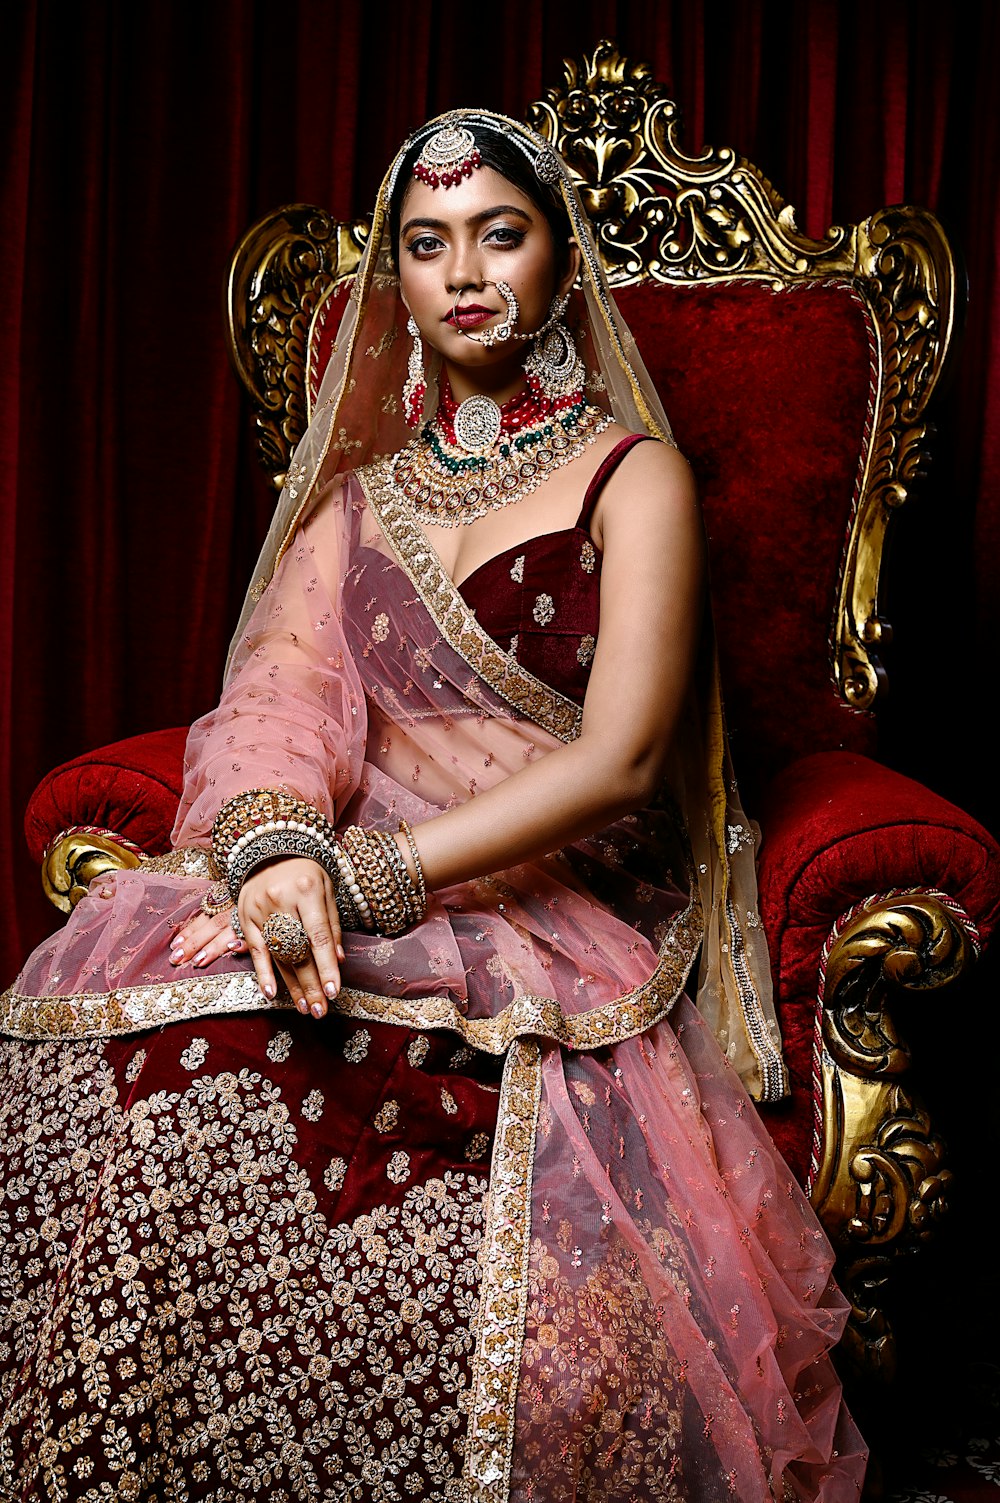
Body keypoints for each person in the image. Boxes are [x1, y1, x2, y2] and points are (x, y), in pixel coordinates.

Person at [0, 112, 865, 1501]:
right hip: (340, 878)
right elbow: (277, 705)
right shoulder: (358, 505)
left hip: (553, 919)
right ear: (394, 283)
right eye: (427, 243)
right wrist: (279, 853)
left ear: (557, 262)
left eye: (501, 233)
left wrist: (369, 878)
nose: (465, 271)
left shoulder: (634, 478)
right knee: (162, 1030)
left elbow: (624, 762)